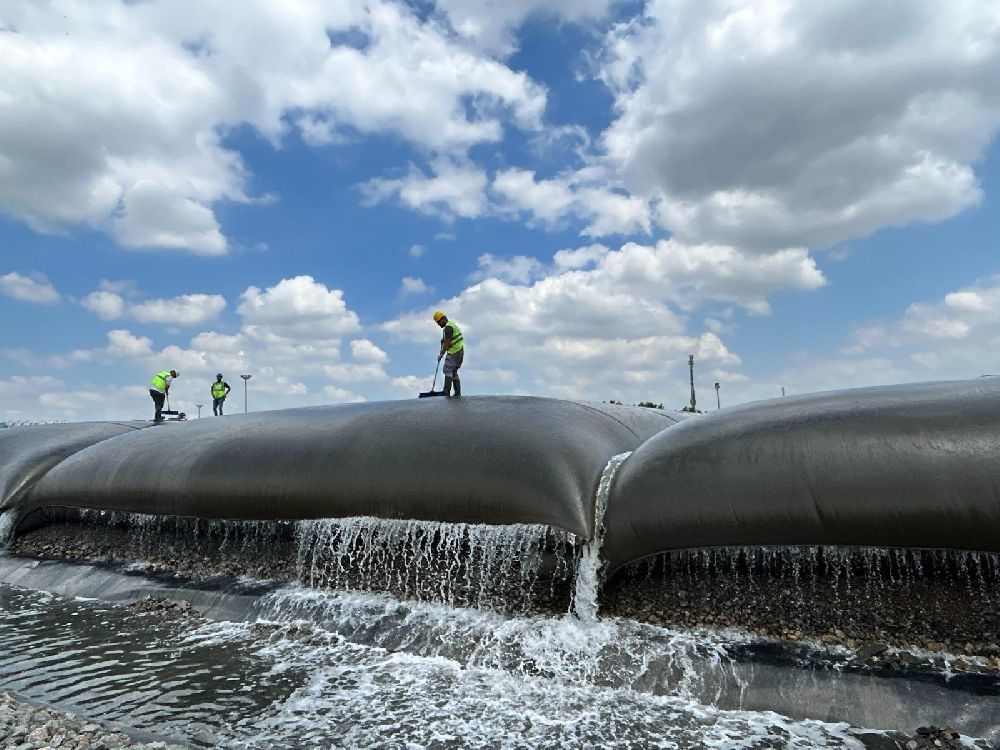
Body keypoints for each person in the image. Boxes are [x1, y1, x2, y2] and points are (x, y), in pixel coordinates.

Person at [433, 310, 464, 398]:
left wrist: (441, 354)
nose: (438, 324)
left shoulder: (448, 328)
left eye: (438, 322)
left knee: (447, 369)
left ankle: (446, 392)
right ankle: (457, 393)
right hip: (459, 351)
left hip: (454, 351)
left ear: (443, 319)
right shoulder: (451, 325)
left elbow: (447, 344)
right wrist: (443, 340)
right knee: (453, 371)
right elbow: (448, 339)